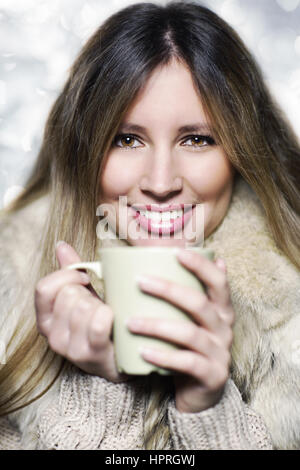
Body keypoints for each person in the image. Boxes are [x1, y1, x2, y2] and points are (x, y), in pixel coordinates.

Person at [0, 0, 299, 450]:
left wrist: (209, 407)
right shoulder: (9, 298)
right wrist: (105, 384)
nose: (160, 183)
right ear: (84, 150)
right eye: (127, 139)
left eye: (197, 139)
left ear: (241, 152)